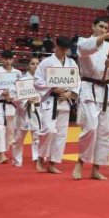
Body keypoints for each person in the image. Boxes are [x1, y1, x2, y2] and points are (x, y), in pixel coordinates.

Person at [73, 17, 109, 181]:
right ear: (93, 27)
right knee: (91, 127)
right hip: (89, 89)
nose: (103, 29)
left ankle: (96, 168)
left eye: (106, 27)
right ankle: (80, 162)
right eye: (101, 26)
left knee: (106, 131)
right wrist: (105, 36)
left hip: (105, 90)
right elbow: (85, 49)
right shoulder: (83, 42)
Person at [35, 36, 79, 174]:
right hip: (50, 100)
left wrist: (70, 93)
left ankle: (53, 163)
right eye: (61, 49)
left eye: (66, 49)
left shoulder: (72, 63)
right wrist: (52, 87)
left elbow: (77, 81)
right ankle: (41, 157)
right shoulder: (46, 62)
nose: (64, 52)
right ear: (56, 46)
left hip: (65, 101)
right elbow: (37, 81)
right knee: (49, 129)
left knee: (61, 134)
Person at [9, 57, 41, 168]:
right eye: (33, 63)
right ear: (28, 66)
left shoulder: (42, 80)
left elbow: (47, 96)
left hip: (38, 111)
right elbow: (12, 96)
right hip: (23, 112)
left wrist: (38, 100)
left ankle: (38, 159)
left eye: (37, 63)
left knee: (37, 137)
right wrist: (25, 100)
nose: (35, 66)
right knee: (18, 138)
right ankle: (17, 161)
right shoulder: (21, 80)